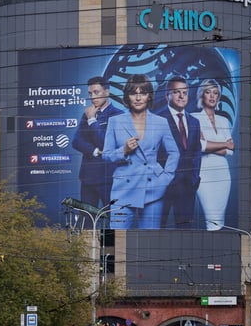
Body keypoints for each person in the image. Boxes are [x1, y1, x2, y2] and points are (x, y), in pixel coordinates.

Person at [102, 74, 180, 229]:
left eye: (142, 93)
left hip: (153, 189)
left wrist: (165, 178)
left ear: (149, 96)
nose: (138, 98)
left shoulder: (161, 122)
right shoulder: (115, 121)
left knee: (150, 242)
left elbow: (174, 153)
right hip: (123, 190)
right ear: (127, 96)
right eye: (133, 93)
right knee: (114, 240)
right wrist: (123, 150)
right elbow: (106, 154)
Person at [155, 76, 201, 229]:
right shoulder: (157, 118)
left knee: (185, 232)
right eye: (176, 92)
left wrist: (195, 178)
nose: (182, 96)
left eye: (185, 93)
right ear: (167, 95)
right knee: (157, 229)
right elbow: (150, 152)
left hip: (187, 186)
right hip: (163, 187)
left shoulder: (194, 122)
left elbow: (196, 153)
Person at [72, 76, 124, 208]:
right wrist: (95, 151)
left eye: (96, 92)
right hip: (88, 177)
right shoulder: (87, 114)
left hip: (109, 178)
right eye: (90, 93)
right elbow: (76, 141)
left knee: (113, 220)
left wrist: (92, 121)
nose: (93, 97)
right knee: (87, 221)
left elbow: (106, 143)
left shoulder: (118, 115)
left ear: (107, 92)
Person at [192, 79, 234, 230]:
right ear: (201, 95)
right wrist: (224, 144)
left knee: (220, 219)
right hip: (205, 173)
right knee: (212, 219)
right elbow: (201, 146)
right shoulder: (194, 117)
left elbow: (230, 150)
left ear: (218, 96)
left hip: (223, 173)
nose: (212, 96)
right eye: (208, 92)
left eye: (215, 93)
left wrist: (212, 145)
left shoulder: (224, 120)